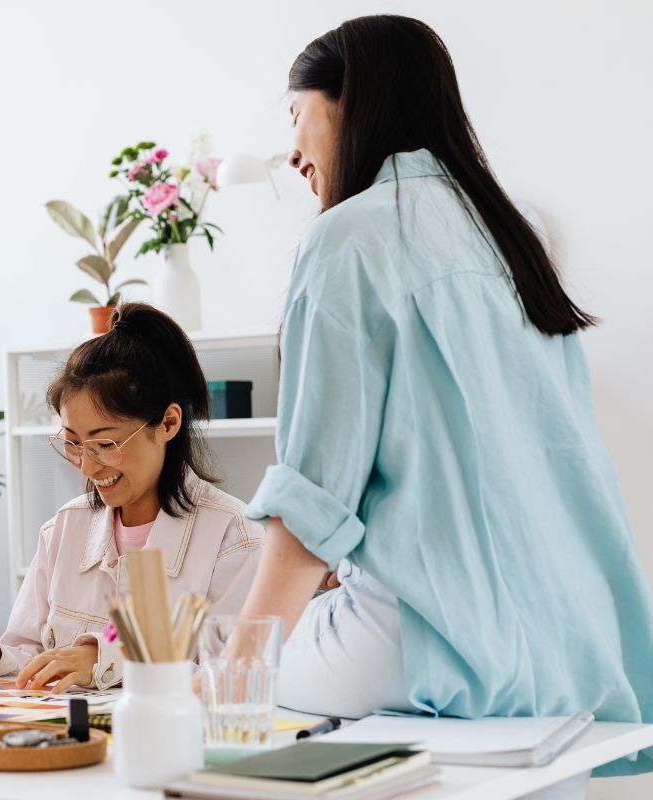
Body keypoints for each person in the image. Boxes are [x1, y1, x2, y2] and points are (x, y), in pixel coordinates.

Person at [232, 14, 652, 796]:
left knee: (233, 666)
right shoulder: (509, 239)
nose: (291, 149)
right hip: (566, 645)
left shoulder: (346, 239)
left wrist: (228, 683)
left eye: (295, 113)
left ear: (347, 101)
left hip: (435, 644)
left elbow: (310, 504)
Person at [0, 303, 262, 692]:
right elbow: (28, 648)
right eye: (73, 443)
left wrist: (112, 660)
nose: (87, 467)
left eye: (105, 443)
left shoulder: (233, 537)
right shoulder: (64, 529)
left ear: (168, 423)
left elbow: (235, 678)